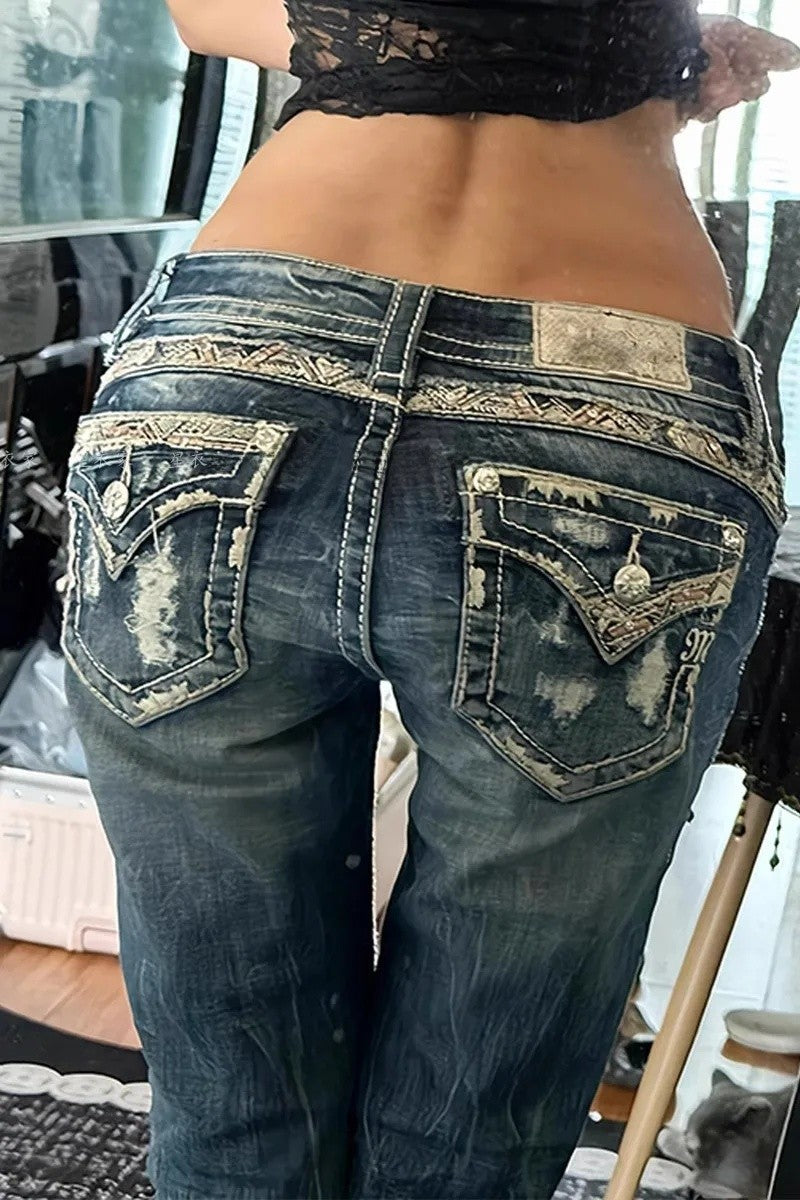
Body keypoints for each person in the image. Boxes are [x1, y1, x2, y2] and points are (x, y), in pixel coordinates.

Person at [60, 3, 799, 1197]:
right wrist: (632, 55)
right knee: (472, 1129)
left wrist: (504, 42)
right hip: (606, 378)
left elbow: (204, 10)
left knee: (232, 1097)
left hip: (240, 358)